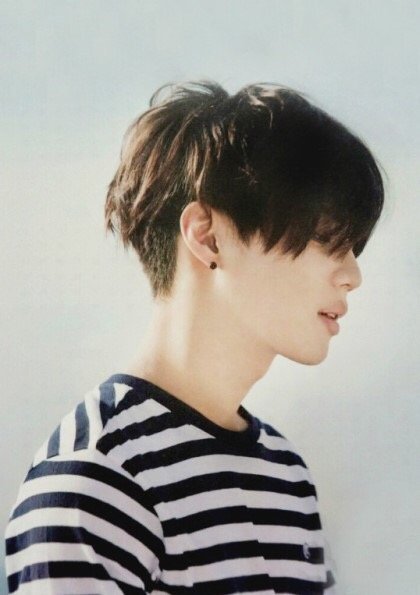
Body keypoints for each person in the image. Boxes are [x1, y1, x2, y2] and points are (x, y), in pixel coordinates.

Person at [4, 80, 385, 594]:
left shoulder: (286, 474)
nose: (352, 276)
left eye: (354, 246)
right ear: (207, 236)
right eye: (328, 239)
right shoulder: (96, 478)